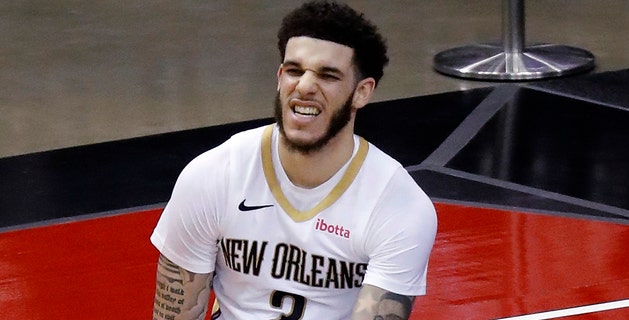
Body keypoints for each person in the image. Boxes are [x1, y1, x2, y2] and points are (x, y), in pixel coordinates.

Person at [150, 1, 438, 319]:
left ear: (362, 92)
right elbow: (176, 312)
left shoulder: (399, 205)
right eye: (294, 71)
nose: (304, 87)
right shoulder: (213, 174)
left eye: (327, 76)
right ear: (279, 77)